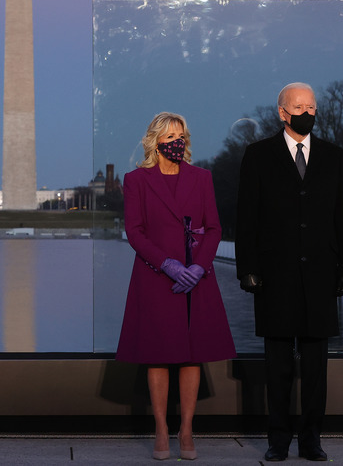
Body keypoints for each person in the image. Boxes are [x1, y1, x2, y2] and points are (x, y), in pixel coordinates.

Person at [235, 82, 343, 462]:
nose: (307, 111)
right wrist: (248, 269)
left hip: (320, 275)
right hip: (275, 276)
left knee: (317, 367)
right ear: (282, 112)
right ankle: (278, 439)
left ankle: (311, 438)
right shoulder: (257, 155)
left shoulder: (333, 156)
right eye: (298, 105)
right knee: (278, 365)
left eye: (311, 105)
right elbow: (246, 217)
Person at [116, 112, 236, 461]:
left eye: (180, 134)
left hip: (195, 277)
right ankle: (161, 429)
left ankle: (186, 429)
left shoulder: (202, 178)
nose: (176, 141)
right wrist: (166, 264)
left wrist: (199, 266)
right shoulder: (136, 180)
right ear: (155, 140)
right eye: (169, 135)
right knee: (158, 355)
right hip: (156, 277)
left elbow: (213, 228)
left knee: (190, 357)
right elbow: (134, 231)